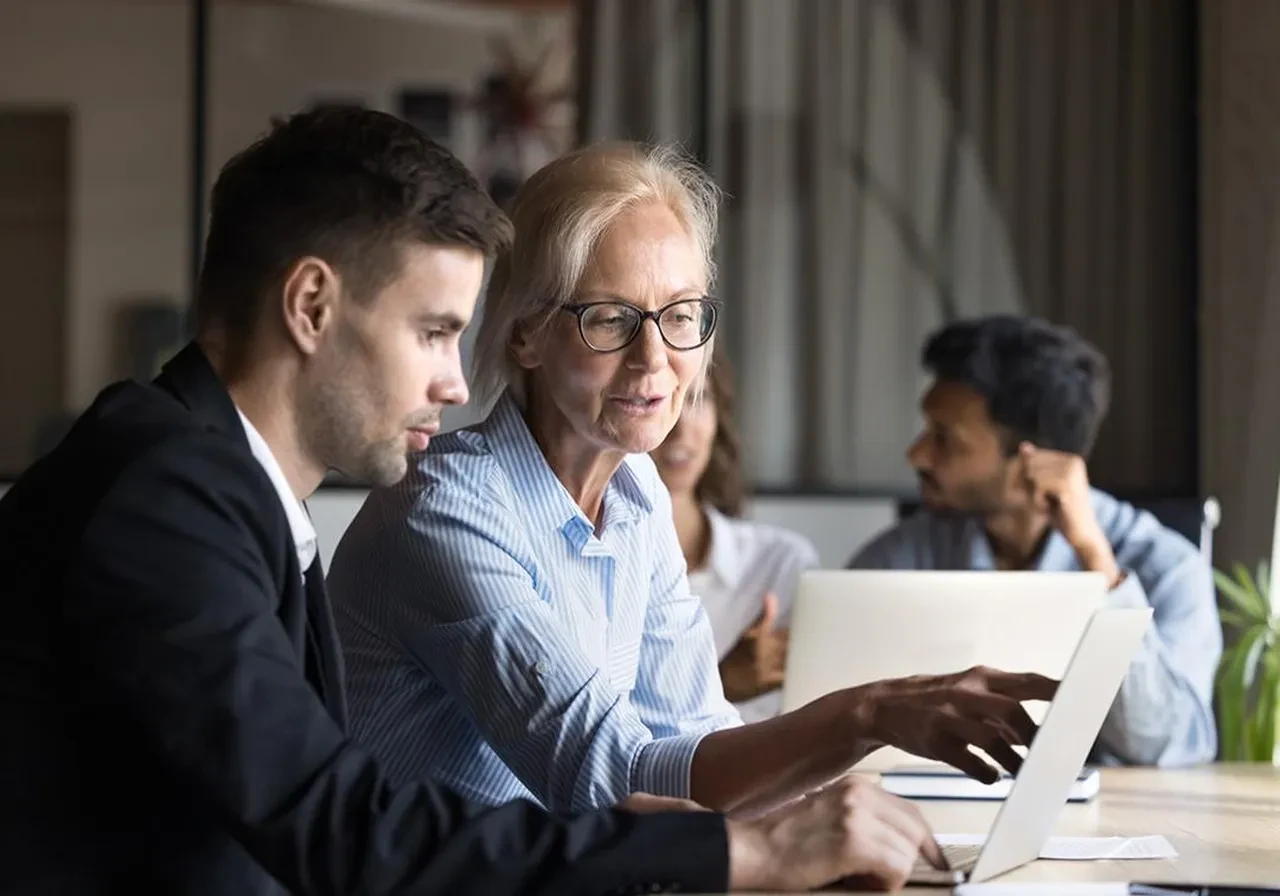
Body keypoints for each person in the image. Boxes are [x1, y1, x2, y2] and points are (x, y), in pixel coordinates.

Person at [0, 108, 951, 895]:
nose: (459, 383)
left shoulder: (206, 483)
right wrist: (750, 850)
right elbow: (336, 828)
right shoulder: (165, 503)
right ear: (311, 306)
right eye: (434, 331)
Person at [328, 141, 1056, 827]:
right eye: (610, 319)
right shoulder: (445, 509)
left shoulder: (637, 495)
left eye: (681, 317)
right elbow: (612, 780)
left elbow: (693, 741)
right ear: (527, 335)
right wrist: (866, 715)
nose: (656, 360)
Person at [848, 314, 1221, 768]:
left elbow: (1166, 746)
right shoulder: (897, 559)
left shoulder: (1168, 566)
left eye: (945, 438)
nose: (916, 454)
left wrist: (1096, 563)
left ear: (1031, 462)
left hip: (1112, 822)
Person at [649, 352, 817, 722]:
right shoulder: (591, 566)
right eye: (656, 400)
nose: (680, 428)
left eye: (697, 399)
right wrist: (720, 682)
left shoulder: (779, 562)